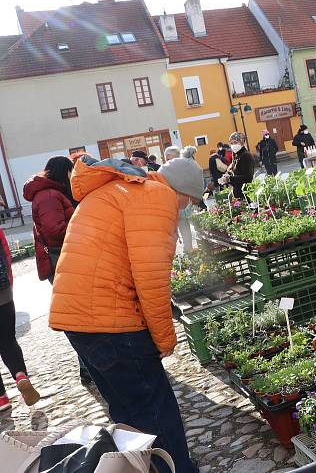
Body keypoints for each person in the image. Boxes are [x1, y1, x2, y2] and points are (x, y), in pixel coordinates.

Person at [49, 155, 204, 473]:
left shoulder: (125, 189)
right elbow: (150, 277)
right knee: (155, 406)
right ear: (182, 192)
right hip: (110, 319)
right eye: (189, 203)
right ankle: (176, 469)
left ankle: (144, 467)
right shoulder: (156, 196)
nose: (185, 209)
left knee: (126, 406)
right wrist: (164, 339)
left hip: (78, 318)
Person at [22, 156, 92, 385]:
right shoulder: (50, 195)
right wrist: (82, 225)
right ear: (64, 172)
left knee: (81, 313)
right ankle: (89, 365)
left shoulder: (47, 193)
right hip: (63, 259)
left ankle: (89, 364)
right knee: (81, 314)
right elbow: (55, 230)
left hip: (63, 259)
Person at [0, 227, 41, 412]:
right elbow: (6, 255)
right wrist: (9, 284)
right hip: (2, 292)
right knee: (8, 340)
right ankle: (20, 376)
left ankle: (1, 398)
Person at [218, 132, 254, 200]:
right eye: (231, 143)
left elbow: (248, 178)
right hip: (238, 192)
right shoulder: (235, 155)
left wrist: (230, 179)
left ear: (242, 143)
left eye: (235, 142)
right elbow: (234, 170)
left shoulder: (246, 155)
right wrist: (226, 176)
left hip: (246, 193)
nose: (233, 145)